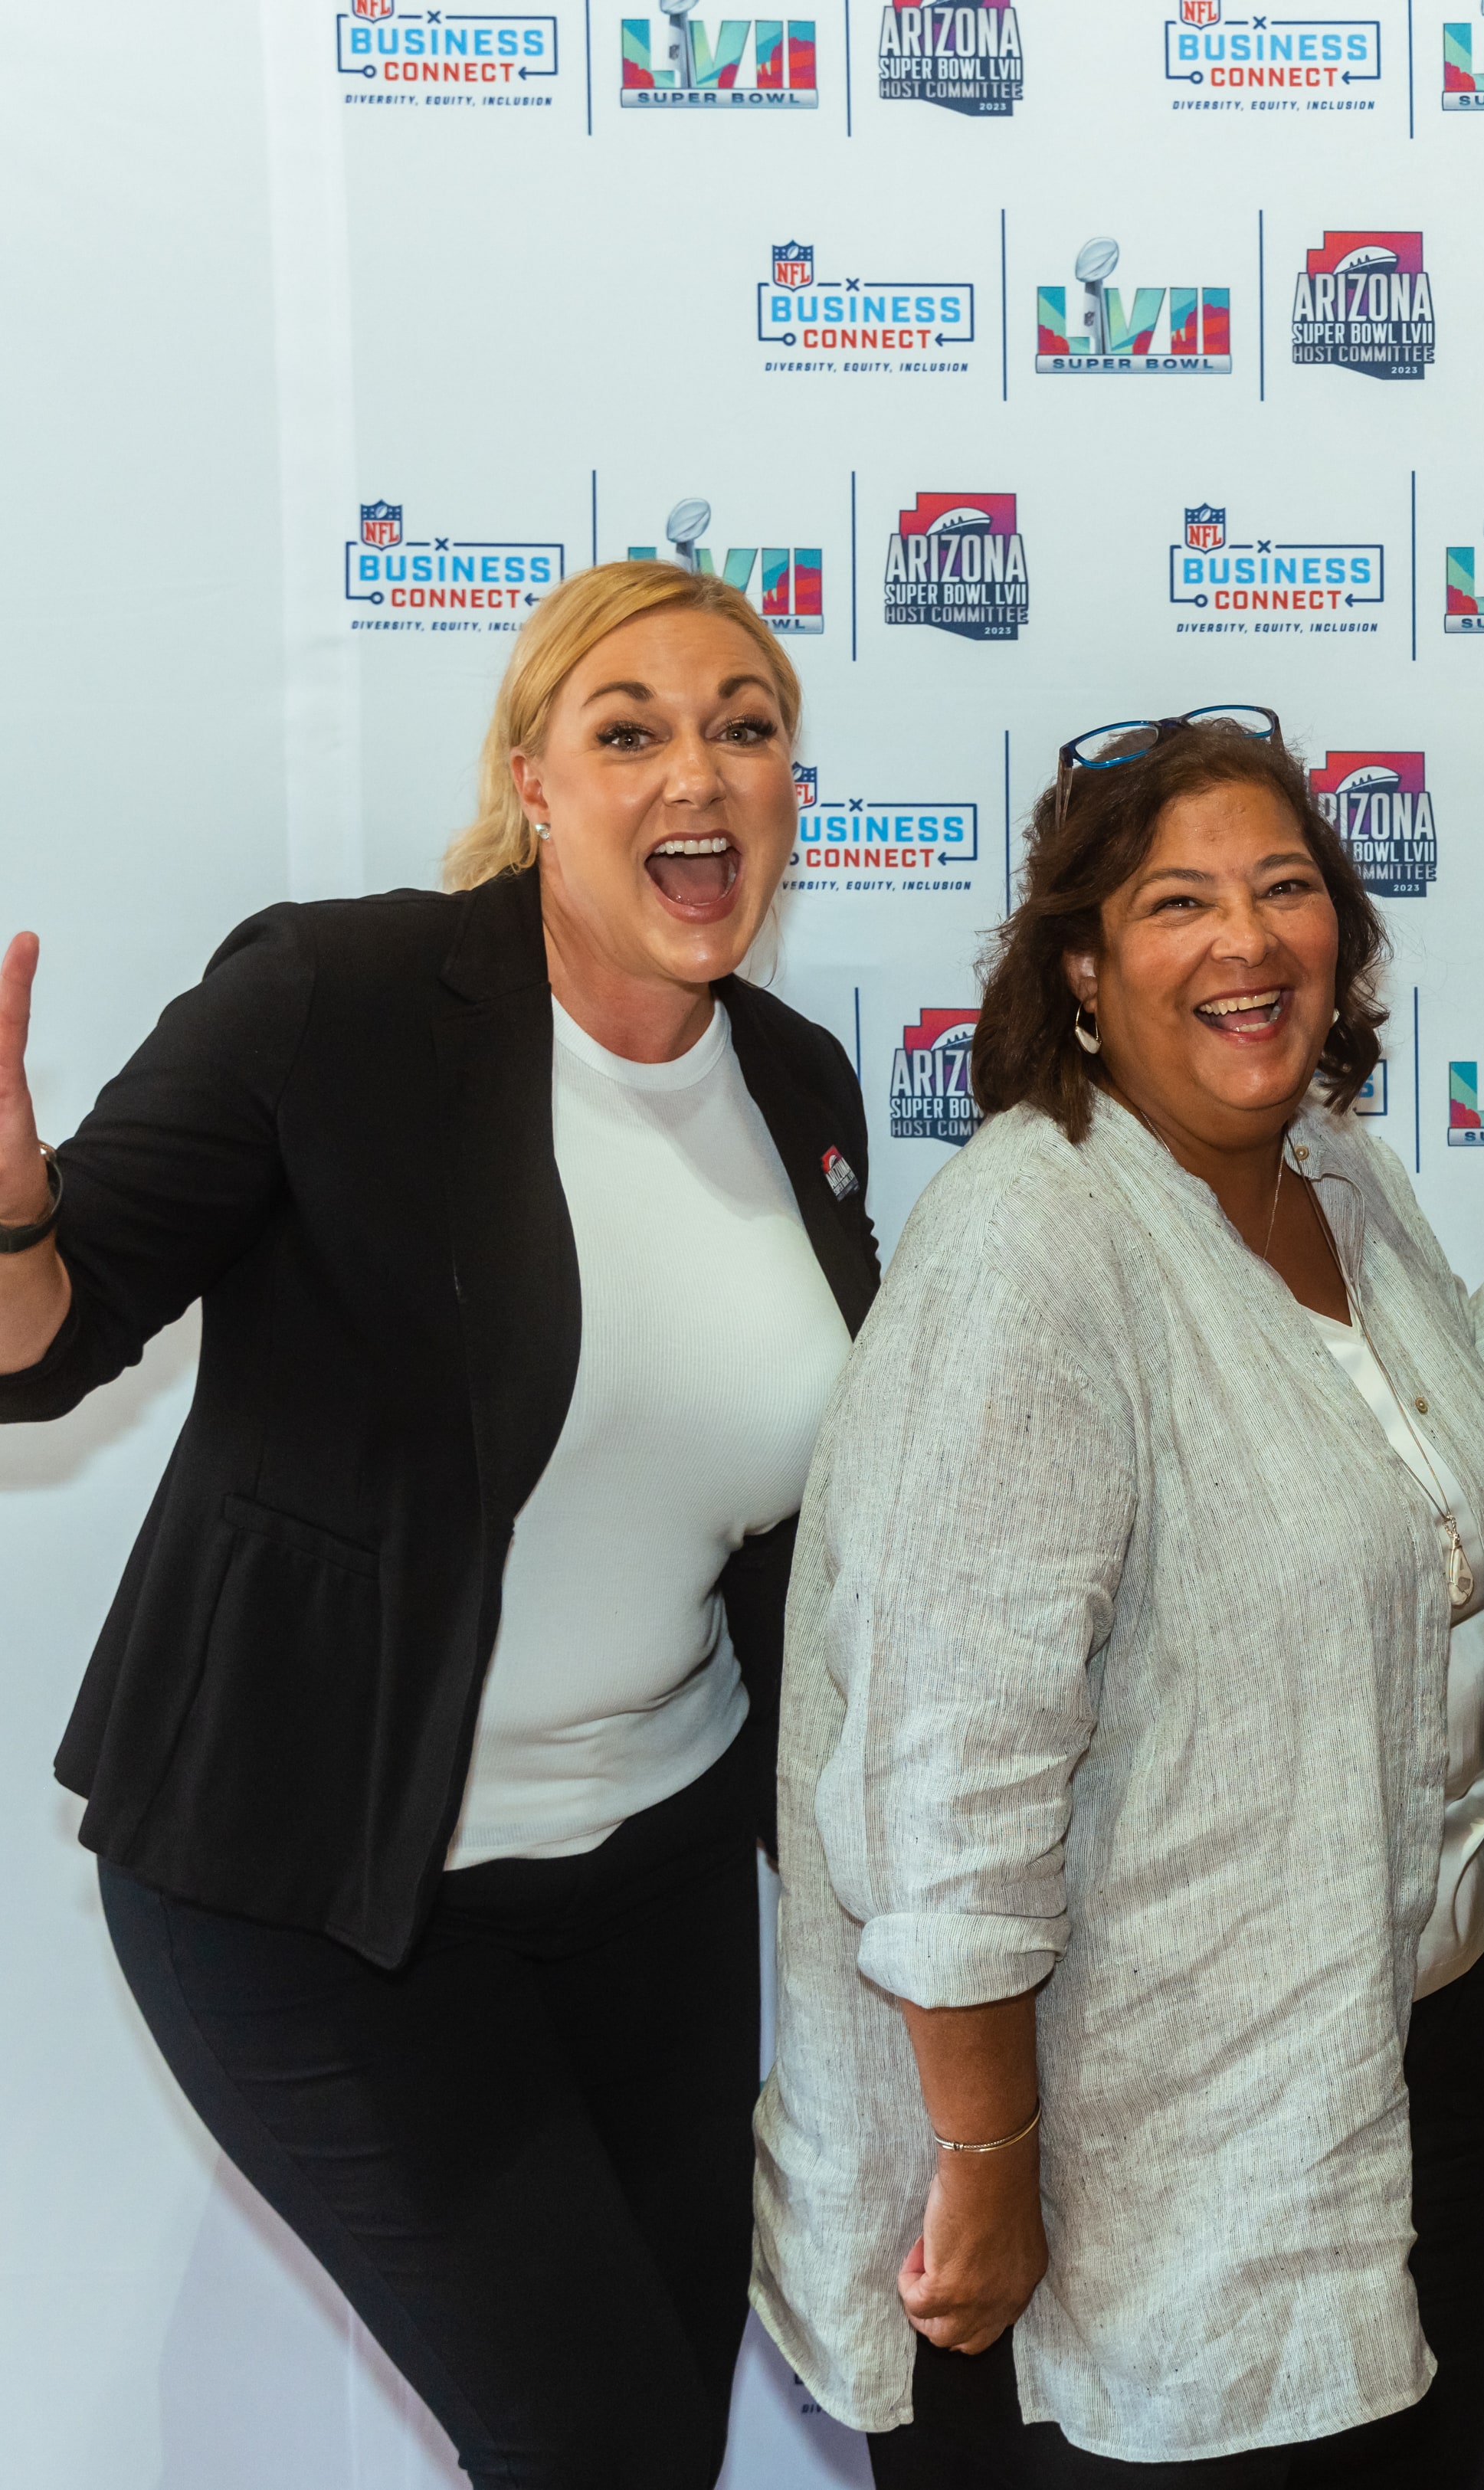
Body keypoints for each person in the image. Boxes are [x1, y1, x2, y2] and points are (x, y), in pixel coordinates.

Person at [0, 561, 876, 2486]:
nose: (698, 771)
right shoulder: (343, 1001)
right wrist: (3, 1214)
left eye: (746, 726)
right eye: (628, 729)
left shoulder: (799, 1086)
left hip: (650, 1874)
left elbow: (798, 1524)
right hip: (315, 1885)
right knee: (590, 2446)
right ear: (532, 780)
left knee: (653, 2433)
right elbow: (49, 1344)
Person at [752, 706, 1484, 2488]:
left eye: (1283, 889)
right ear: (1082, 968)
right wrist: (994, 2158)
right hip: (1139, 2151)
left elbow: (1417, 1444)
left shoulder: (1337, 1171)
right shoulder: (1035, 1245)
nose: (1247, 941)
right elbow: (943, 1791)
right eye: (1179, 902)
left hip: (1385, 2065)